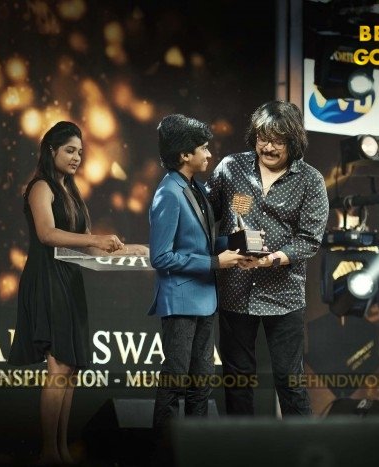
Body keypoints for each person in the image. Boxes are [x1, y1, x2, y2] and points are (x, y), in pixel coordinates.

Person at [8, 121, 146, 464]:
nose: (76, 158)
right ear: (51, 150)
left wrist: (131, 249)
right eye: (70, 150)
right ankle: (48, 452)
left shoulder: (70, 191)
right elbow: (47, 234)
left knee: (69, 369)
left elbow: (91, 249)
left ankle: (61, 450)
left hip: (69, 279)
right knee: (58, 367)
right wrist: (95, 238)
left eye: (80, 152)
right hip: (46, 278)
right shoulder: (40, 186)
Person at [206, 101, 329, 416]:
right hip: (234, 290)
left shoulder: (311, 180)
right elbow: (205, 214)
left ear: (293, 141)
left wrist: (271, 259)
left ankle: (302, 445)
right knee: (237, 380)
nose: (269, 147)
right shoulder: (231, 167)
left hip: (284, 295)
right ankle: (241, 444)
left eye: (278, 141)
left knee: (290, 382)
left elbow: (309, 240)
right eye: (263, 138)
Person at [148, 114, 244, 428]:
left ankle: (194, 447)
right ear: (184, 155)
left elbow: (203, 242)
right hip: (180, 302)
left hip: (205, 299)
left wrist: (240, 245)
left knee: (201, 384)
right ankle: (163, 449)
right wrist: (215, 263)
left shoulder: (197, 189)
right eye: (203, 148)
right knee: (175, 380)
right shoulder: (168, 193)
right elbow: (161, 257)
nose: (209, 154)